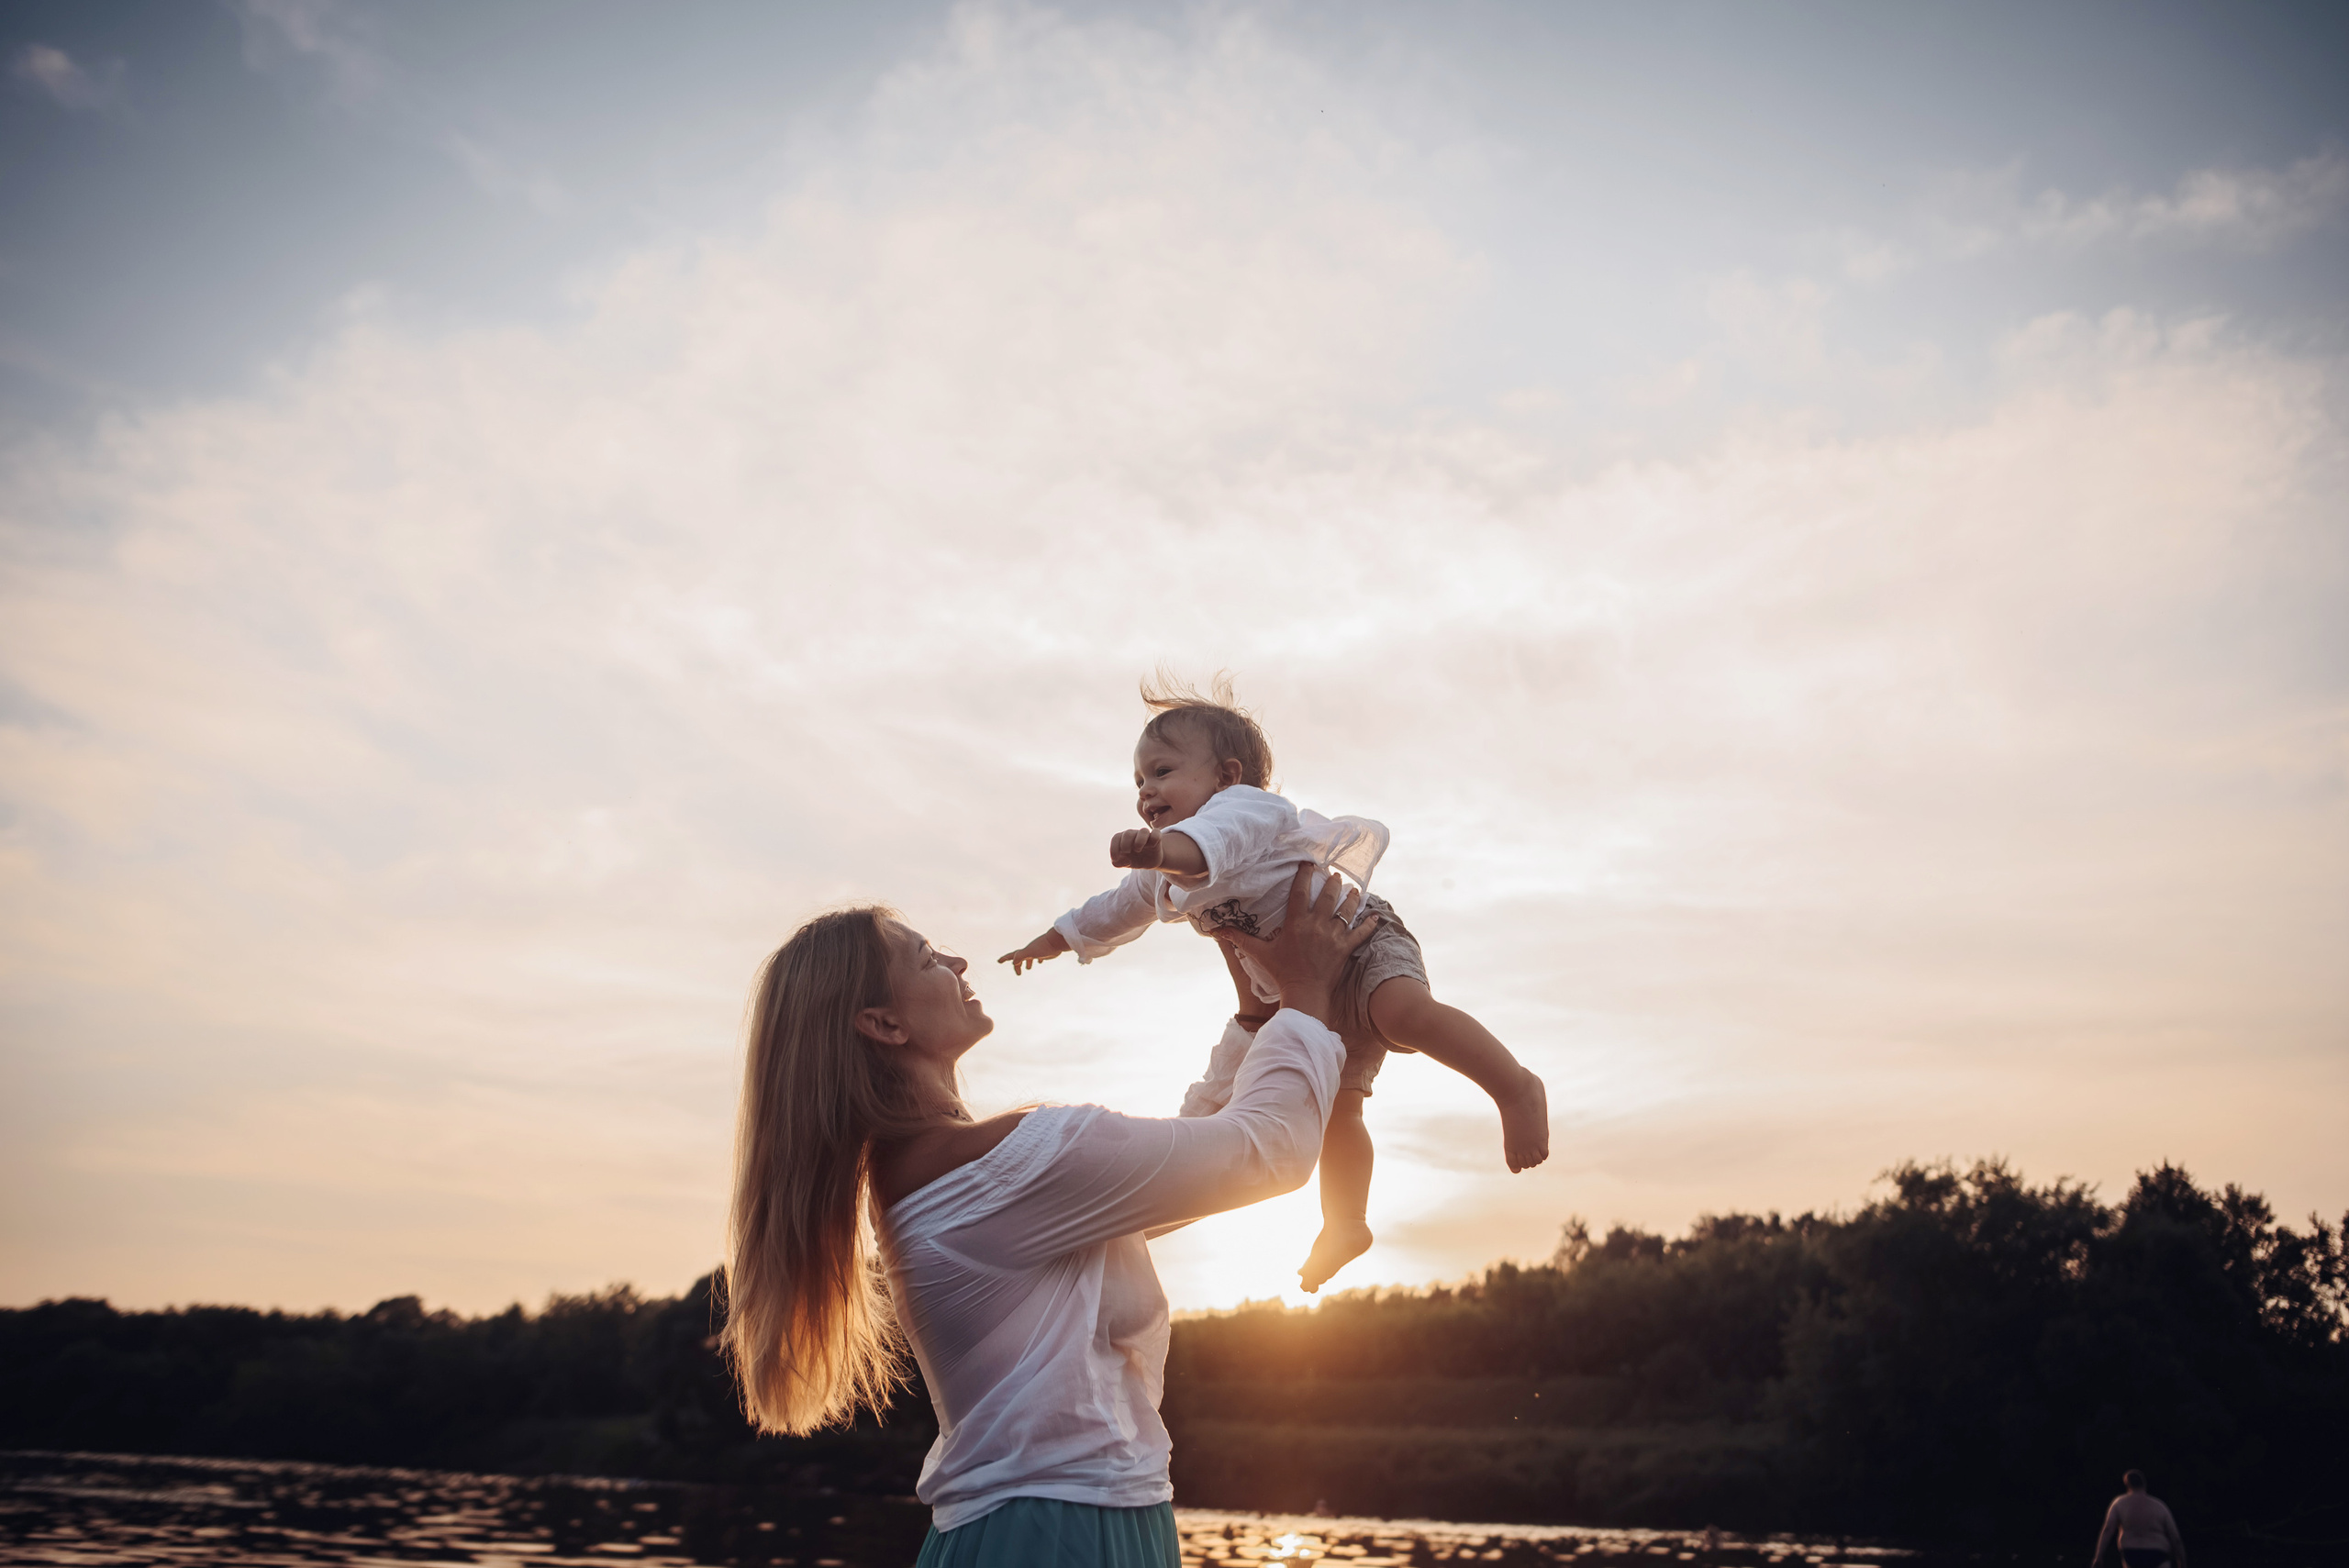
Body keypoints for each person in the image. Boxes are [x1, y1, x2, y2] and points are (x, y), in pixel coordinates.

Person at [723, 864, 1377, 1568]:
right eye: (926, 956)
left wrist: (1257, 1018)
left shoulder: (938, 1172)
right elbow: (1267, 1151)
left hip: (1044, 1522)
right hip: (1062, 1529)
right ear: (884, 1023)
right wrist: (1305, 997)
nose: (957, 960)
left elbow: (1168, 1175)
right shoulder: (1001, 1162)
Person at [997, 676, 1551, 1291]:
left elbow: (1204, 847)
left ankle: (1514, 1086)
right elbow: (1116, 907)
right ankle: (1347, 1221)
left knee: (1404, 1013)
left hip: (1360, 941)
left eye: (1161, 771)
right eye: (1138, 782)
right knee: (1337, 1105)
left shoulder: (1247, 811)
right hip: (1306, 991)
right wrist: (1058, 937)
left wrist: (1157, 850)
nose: (1146, 790)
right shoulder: (1166, 869)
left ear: (1227, 775)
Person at [2094, 1470, 2187, 1568]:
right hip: (2158, 1552)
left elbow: (2108, 1529)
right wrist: (2182, 1562)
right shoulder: (2160, 1506)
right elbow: (2176, 1539)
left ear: (2127, 1485)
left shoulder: (2119, 1503)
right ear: (2144, 1484)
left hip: (2132, 1553)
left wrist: (2098, 1556)